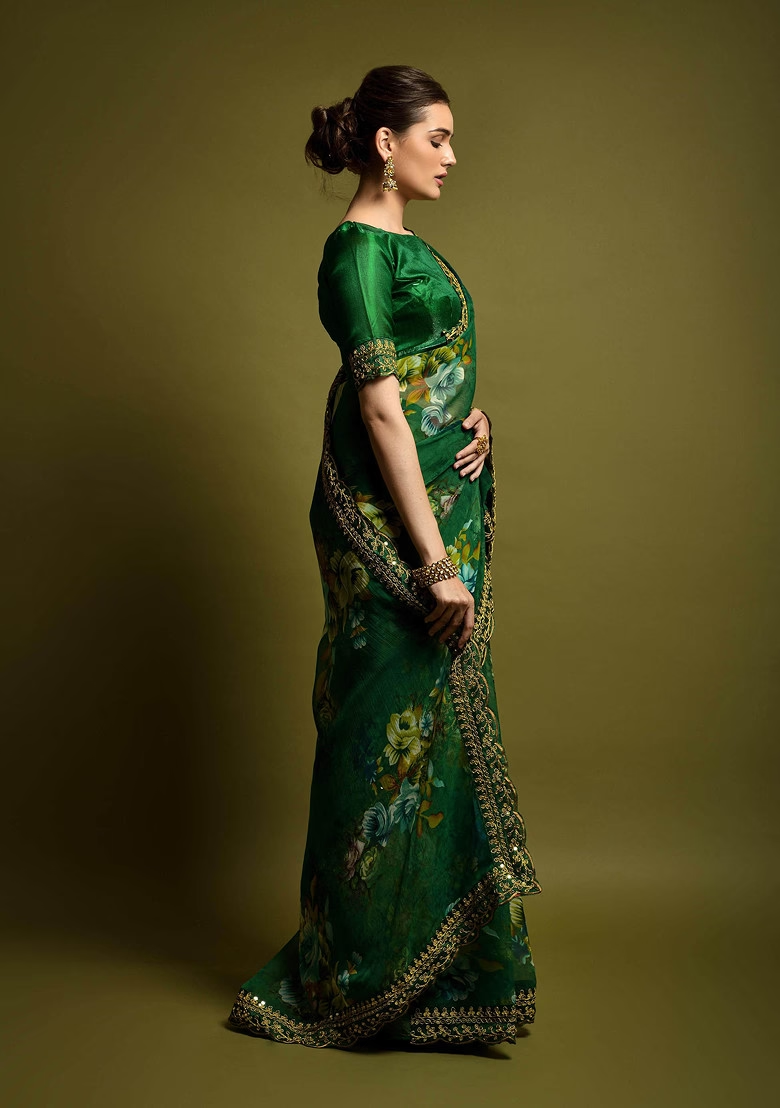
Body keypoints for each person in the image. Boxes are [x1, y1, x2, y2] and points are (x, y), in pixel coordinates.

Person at [227, 64, 542, 1049]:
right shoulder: (355, 251)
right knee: (379, 736)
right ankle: (353, 974)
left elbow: (424, 377)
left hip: (442, 503)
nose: (450, 155)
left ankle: (439, 980)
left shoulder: (412, 247)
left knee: (440, 729)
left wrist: (472, 416)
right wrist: (433, 561)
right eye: (436, 137)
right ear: (384, 143)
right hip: (390, 527)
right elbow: (376, 407)